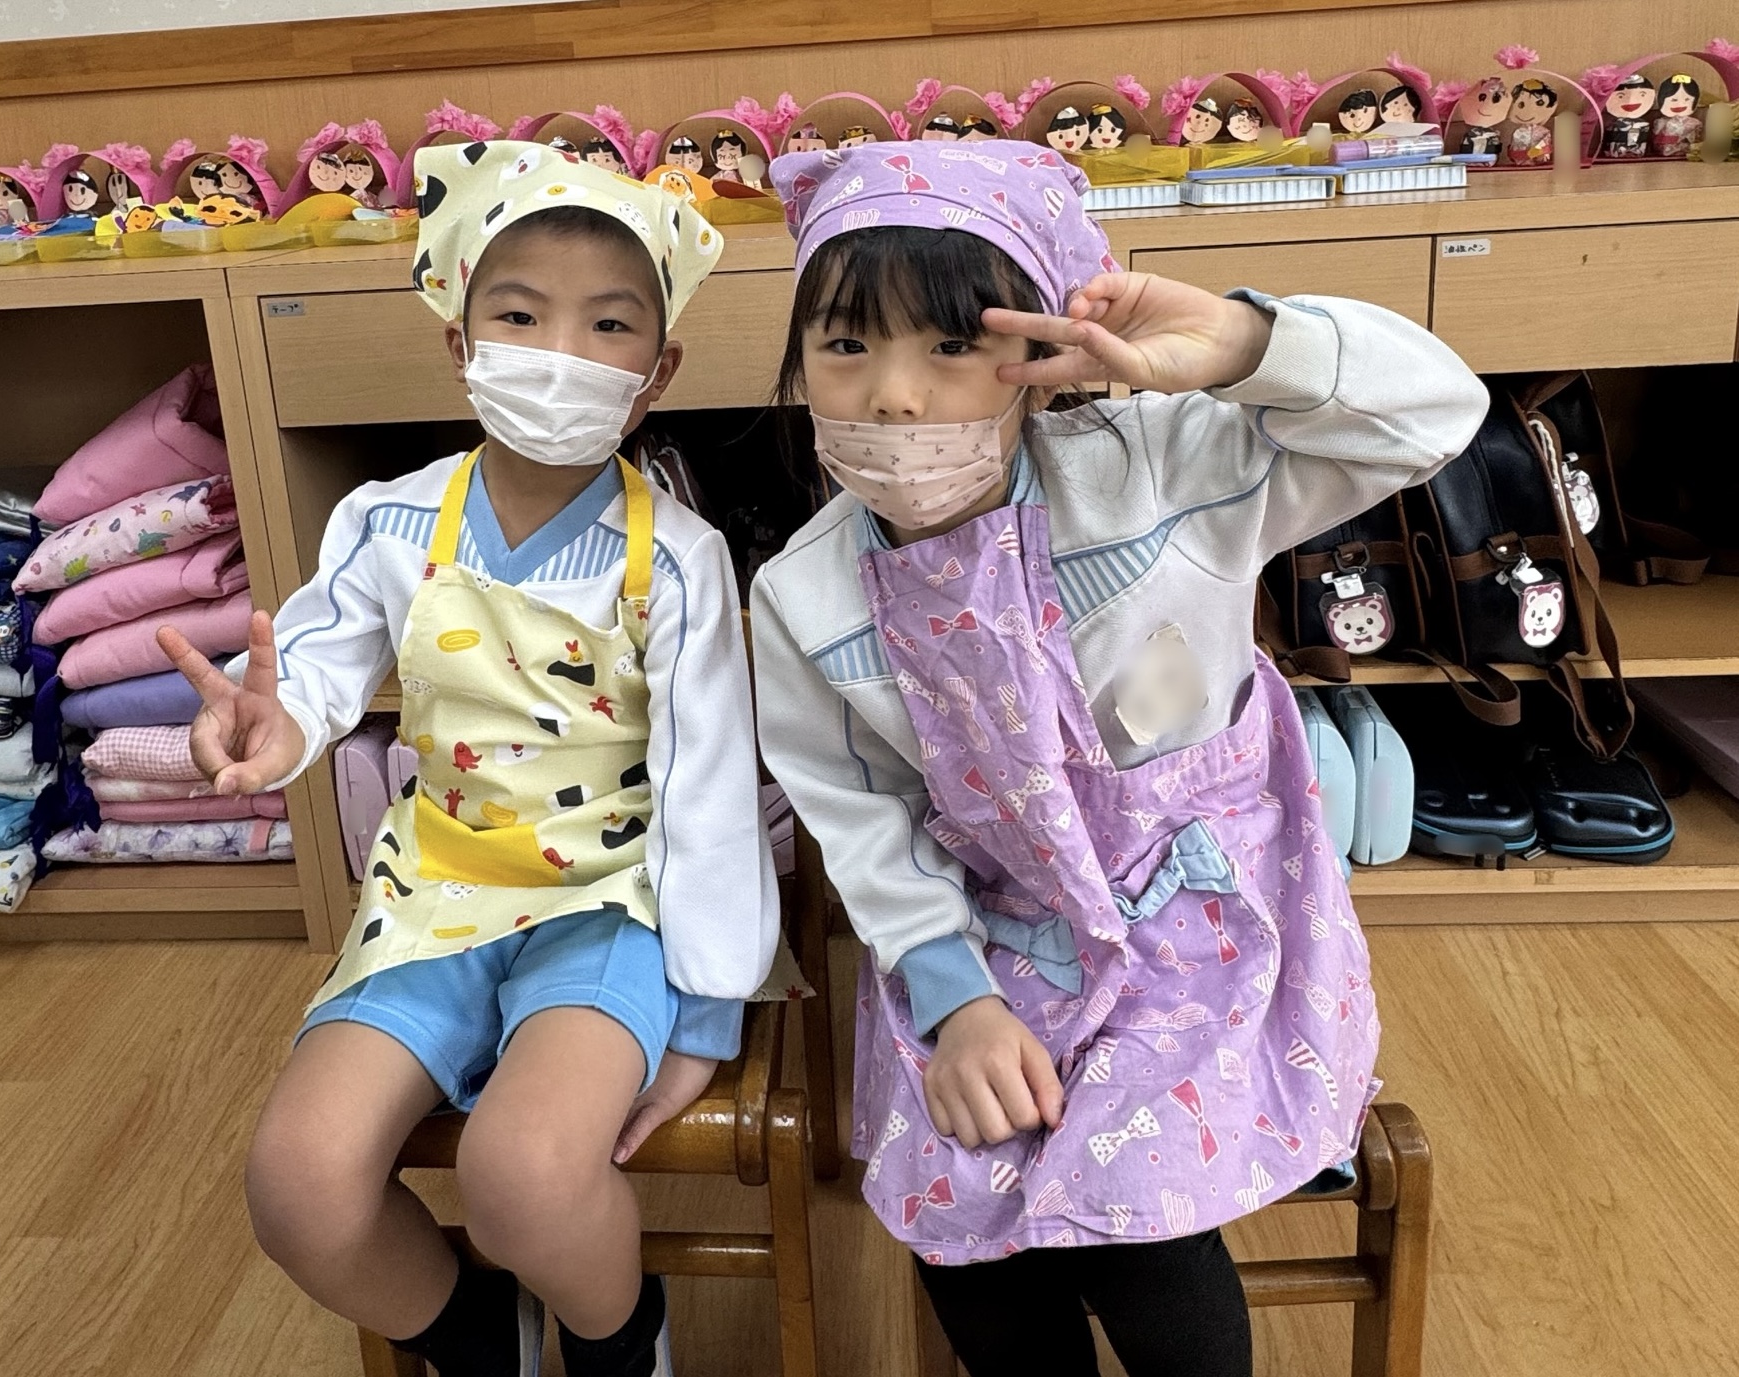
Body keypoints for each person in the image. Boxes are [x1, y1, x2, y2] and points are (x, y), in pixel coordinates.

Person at [753, 140, 1488, 1377]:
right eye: (846, 343)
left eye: (952, 344)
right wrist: (958, 999)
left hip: (1200, 923)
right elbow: (864, 815)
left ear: (1043, 357)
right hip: (992, 934)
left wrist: (1246, 347)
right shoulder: (800, 595)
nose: (894, 397)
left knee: (1133, 1222)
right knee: (966, 1216)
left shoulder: (1159, 468)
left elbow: (1436, 412)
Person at [160, 140, 777, 1377]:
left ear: (656, 376)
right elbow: (314, 674)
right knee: (298, 1184)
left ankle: (620, 1342)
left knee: (524, 1176)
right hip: (431, 896)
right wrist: (273, 729)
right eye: (520, 315)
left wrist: (709, 1013)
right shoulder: (386, 519)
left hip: (612, 903)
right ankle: (491, 1344)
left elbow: (710, 790)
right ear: (460, 342)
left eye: (608, 325)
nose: (559, 353)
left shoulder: (682, 559)